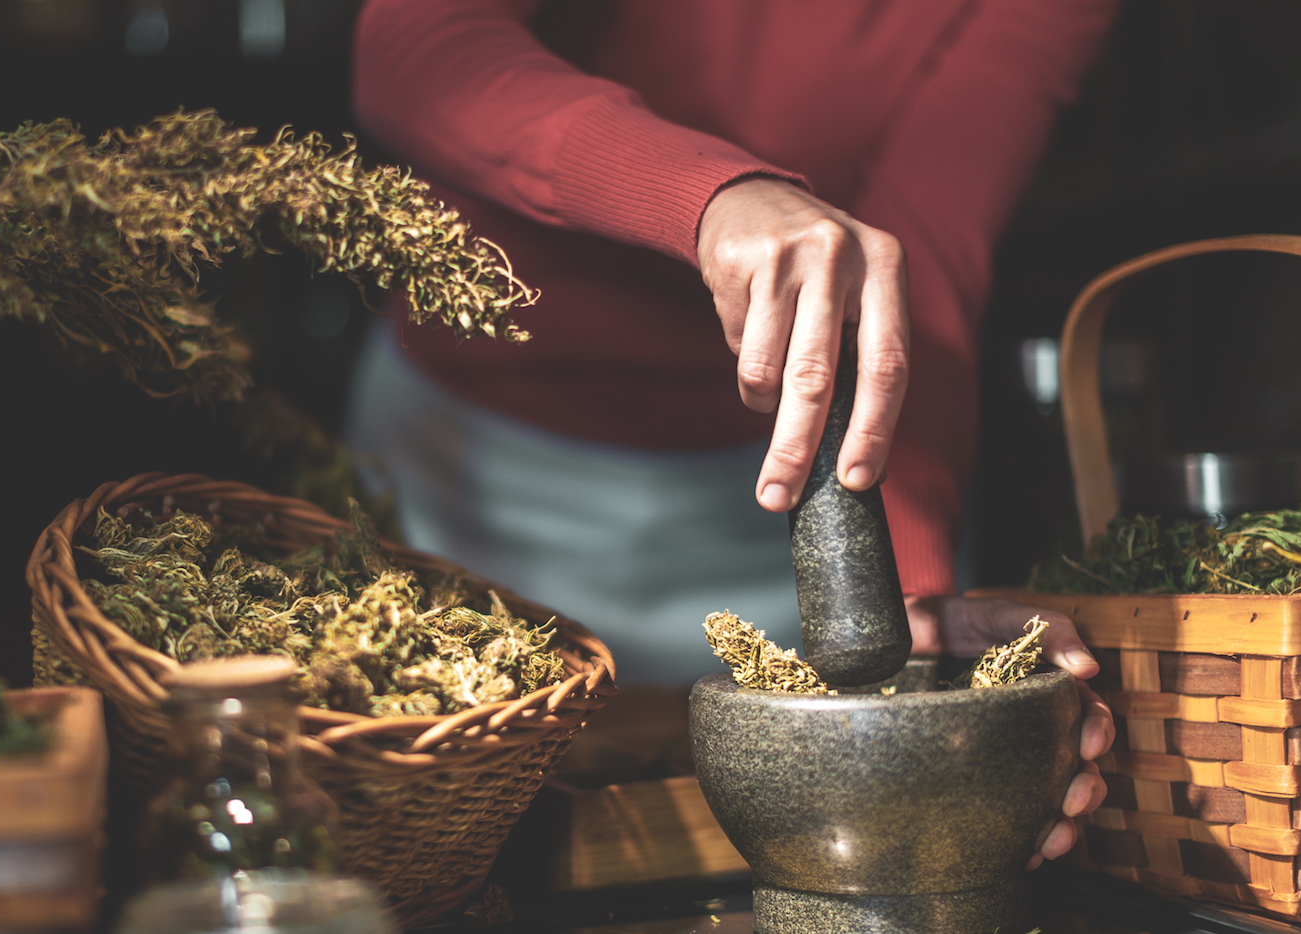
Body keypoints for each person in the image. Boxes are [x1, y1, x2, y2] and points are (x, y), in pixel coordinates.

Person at [346, 0, 1118, 866]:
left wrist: (911, 595)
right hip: (482, 462)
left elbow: (924, 251)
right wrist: (712, 197)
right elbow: (418, 48)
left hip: (778, 491)